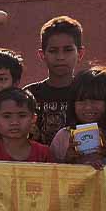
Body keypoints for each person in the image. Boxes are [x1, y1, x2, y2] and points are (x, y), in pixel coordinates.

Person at [25, 17, 86, 147]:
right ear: (42, 55)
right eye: (53, 51)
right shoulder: (29, 95)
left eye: (68, 50)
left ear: (80, 54)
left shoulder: (88, 92)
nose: (60, 57)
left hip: (79, 165)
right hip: (38, 165)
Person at [50, 66, 106, 167]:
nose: (88, 107)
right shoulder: (63, 137)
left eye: (95, 100)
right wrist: (67, 161)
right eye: (81, 101)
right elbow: (51, 172)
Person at [0, 89, 52, 163]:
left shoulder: (43, 154)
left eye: (22, 116)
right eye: (7, 116)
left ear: (33, 118)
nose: (14, 122)